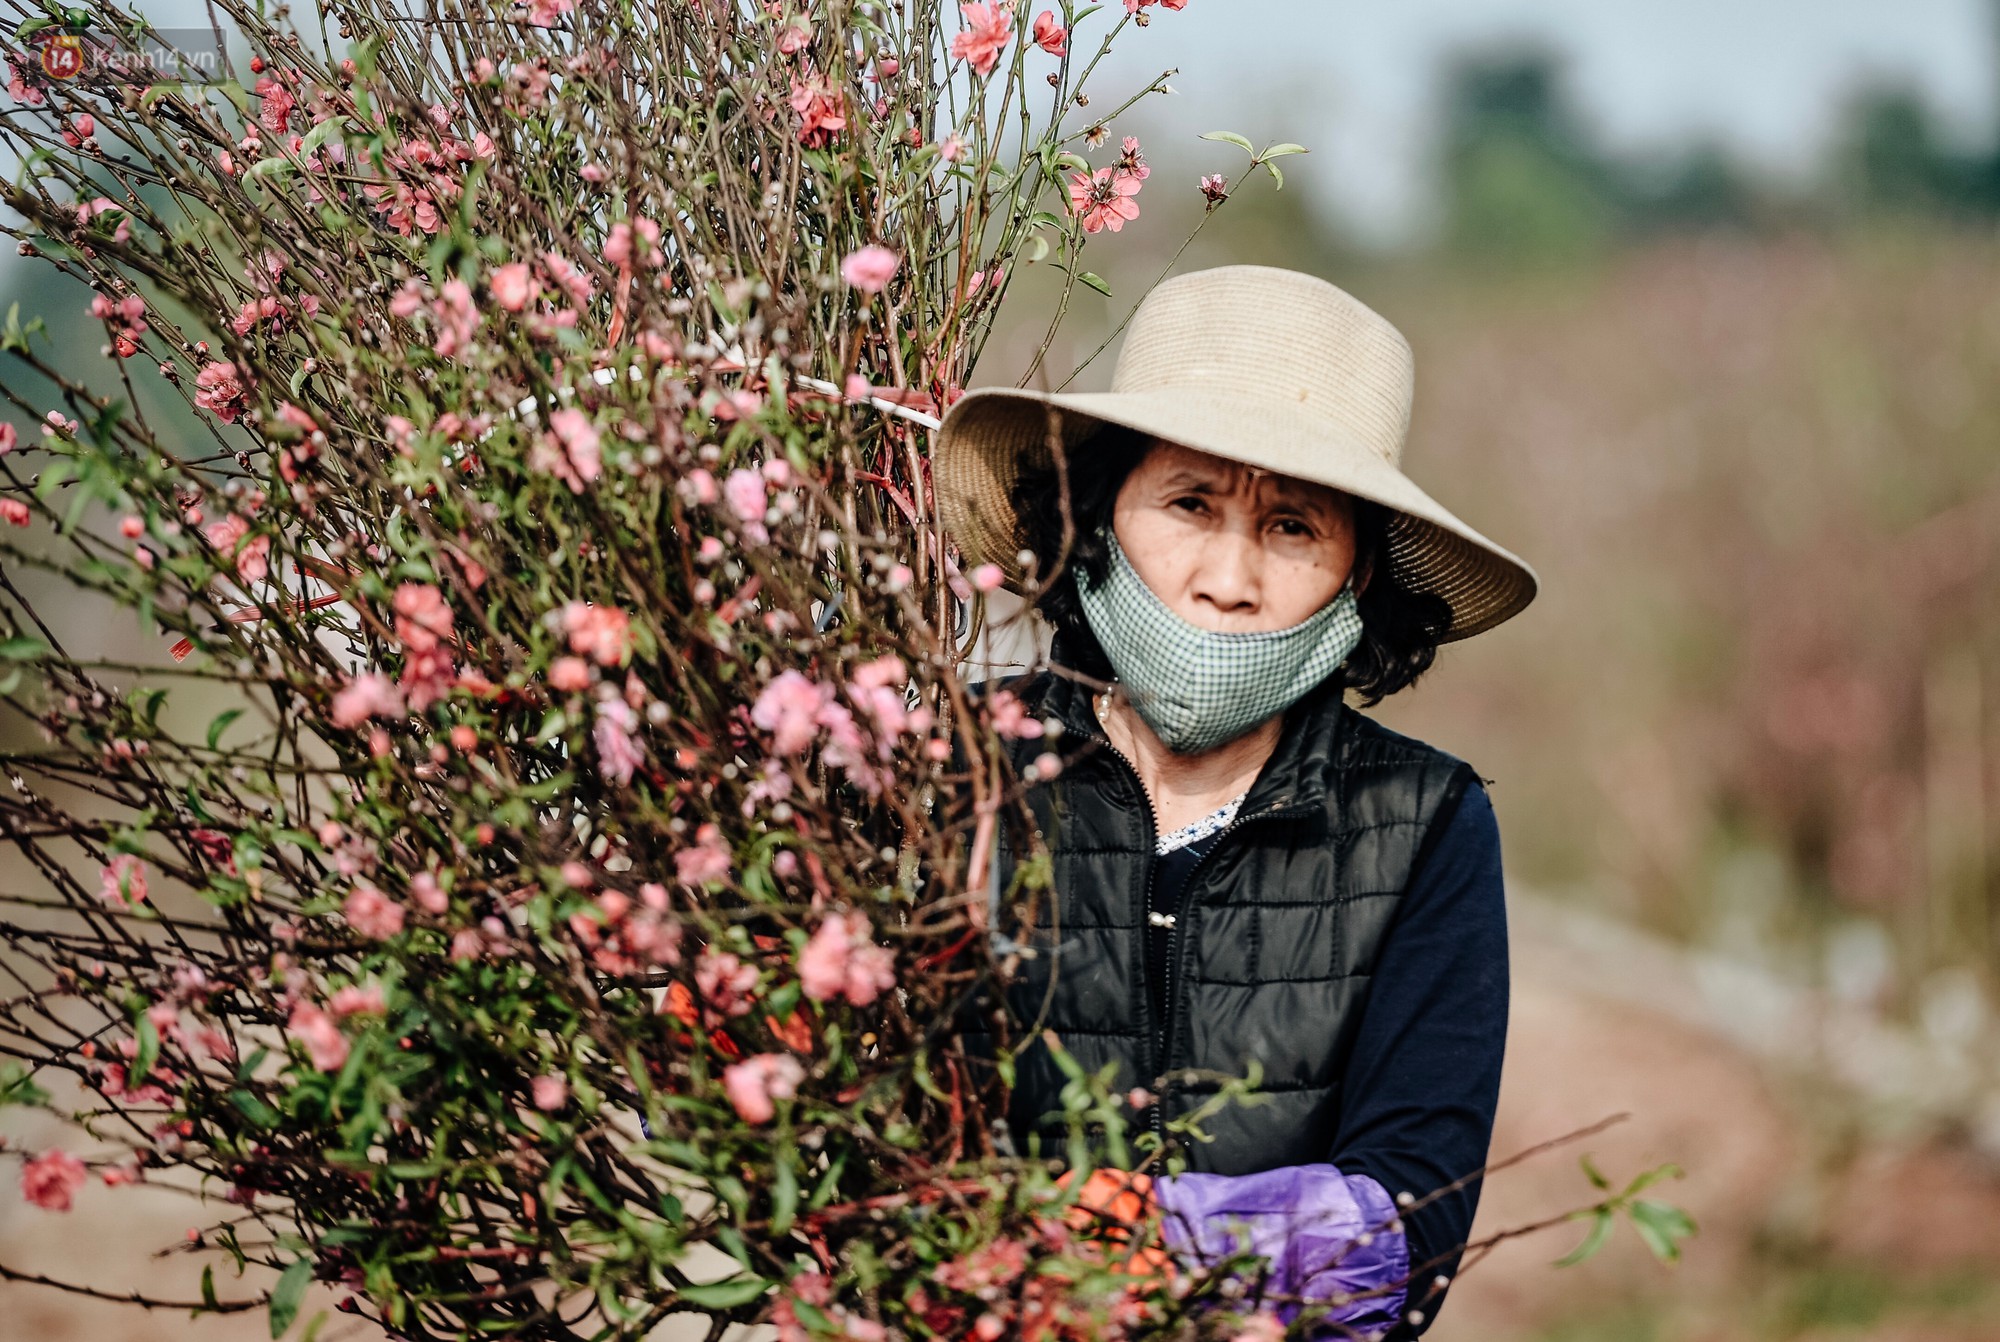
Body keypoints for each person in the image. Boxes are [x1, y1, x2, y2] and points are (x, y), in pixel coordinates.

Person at [930, 265, 1540, 1339]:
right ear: (1097, 519)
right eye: (1189, 503)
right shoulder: (949, 767)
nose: (1228, 577)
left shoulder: (1421, 821)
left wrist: (1125, 1245)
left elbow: (1407, 1221)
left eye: (1292, 526)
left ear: (1355, 579)